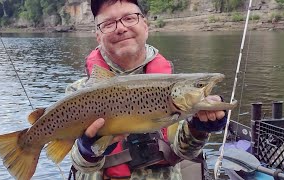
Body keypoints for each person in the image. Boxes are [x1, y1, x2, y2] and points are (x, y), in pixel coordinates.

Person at [68, 0, 227, 179]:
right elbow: (80, 164)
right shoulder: (79, 92)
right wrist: (87, 149)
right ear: (98, 35)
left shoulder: (176, 87)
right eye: (108, 24)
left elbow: (186, 152)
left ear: (145, 25)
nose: (120, 28)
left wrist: (199, 128)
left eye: (129, 18)